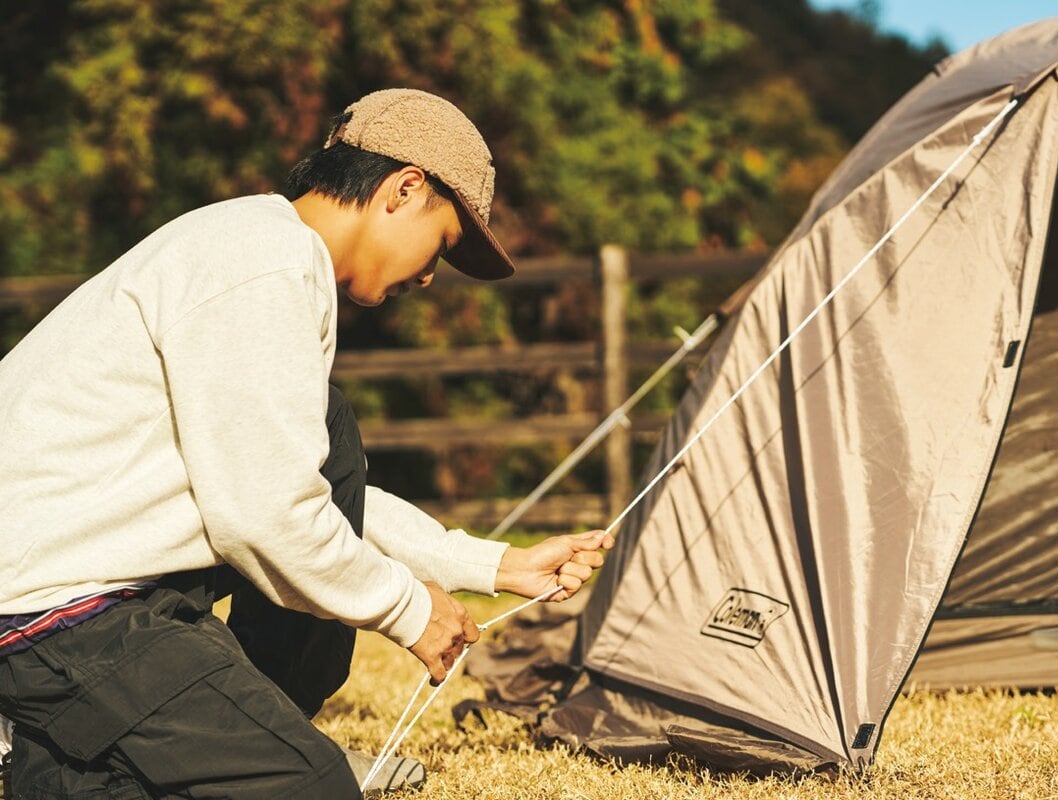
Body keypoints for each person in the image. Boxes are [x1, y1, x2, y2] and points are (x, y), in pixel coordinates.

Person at [0, 88, 614, 799]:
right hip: (47, 610)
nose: (428, 275)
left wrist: (497, 564)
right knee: (313, 788)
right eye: (441, 245)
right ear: (404, 189)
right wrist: (410, 609)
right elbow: (270, 517)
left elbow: (302, 488)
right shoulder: (261, 266)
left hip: (106, 591)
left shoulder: (261, 249)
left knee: (330, 423)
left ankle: (90, 757)